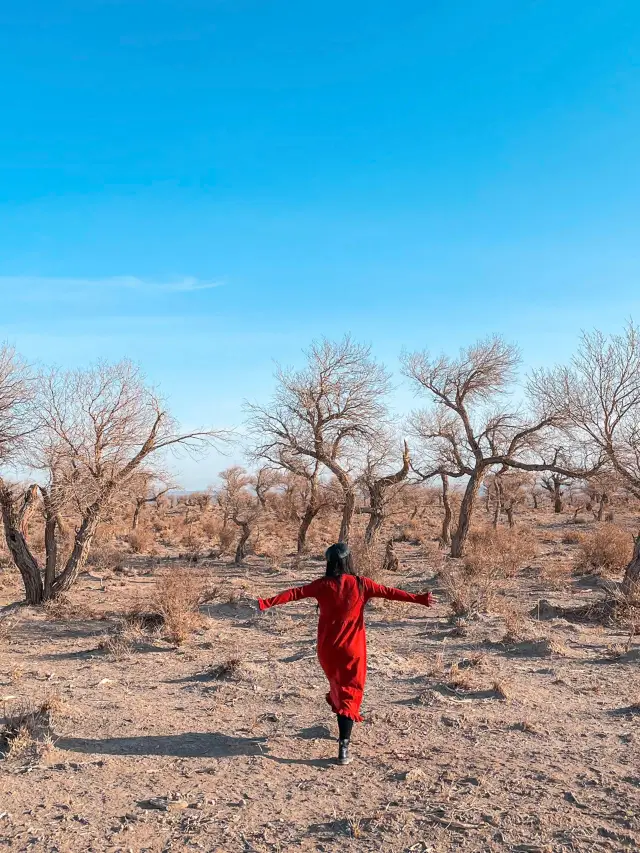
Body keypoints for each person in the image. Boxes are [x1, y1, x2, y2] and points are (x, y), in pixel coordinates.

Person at [258, 542, 433, 765]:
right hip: (353, 650)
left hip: (327, 650)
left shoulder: (322, 585)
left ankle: (336, 702)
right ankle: (343, 748)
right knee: (350, 694)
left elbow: (294, 593)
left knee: (338, 685)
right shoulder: (361, 584)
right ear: (348, 561)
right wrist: (419, 598)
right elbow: (390, 593)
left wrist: (266, 603)